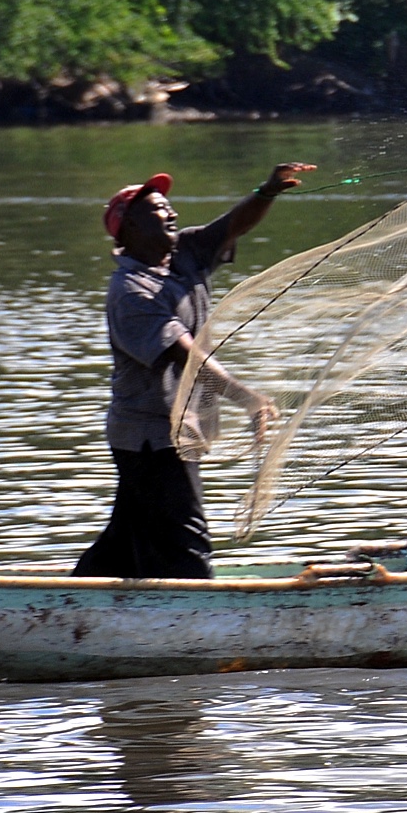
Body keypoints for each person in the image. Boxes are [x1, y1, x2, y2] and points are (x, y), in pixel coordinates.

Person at [74, 161, 316, 579]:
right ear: (129, 228)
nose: (171, 213)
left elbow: (233, 225)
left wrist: (268, 191)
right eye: (157, 208)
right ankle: (203, 611)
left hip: (172, 432)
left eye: (169, 206)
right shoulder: (131, 292)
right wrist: (246, 397)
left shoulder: (184, 253)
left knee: (127, 538)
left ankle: (67, 601)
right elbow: (183, 355)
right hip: (151, 438)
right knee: (186, 540)